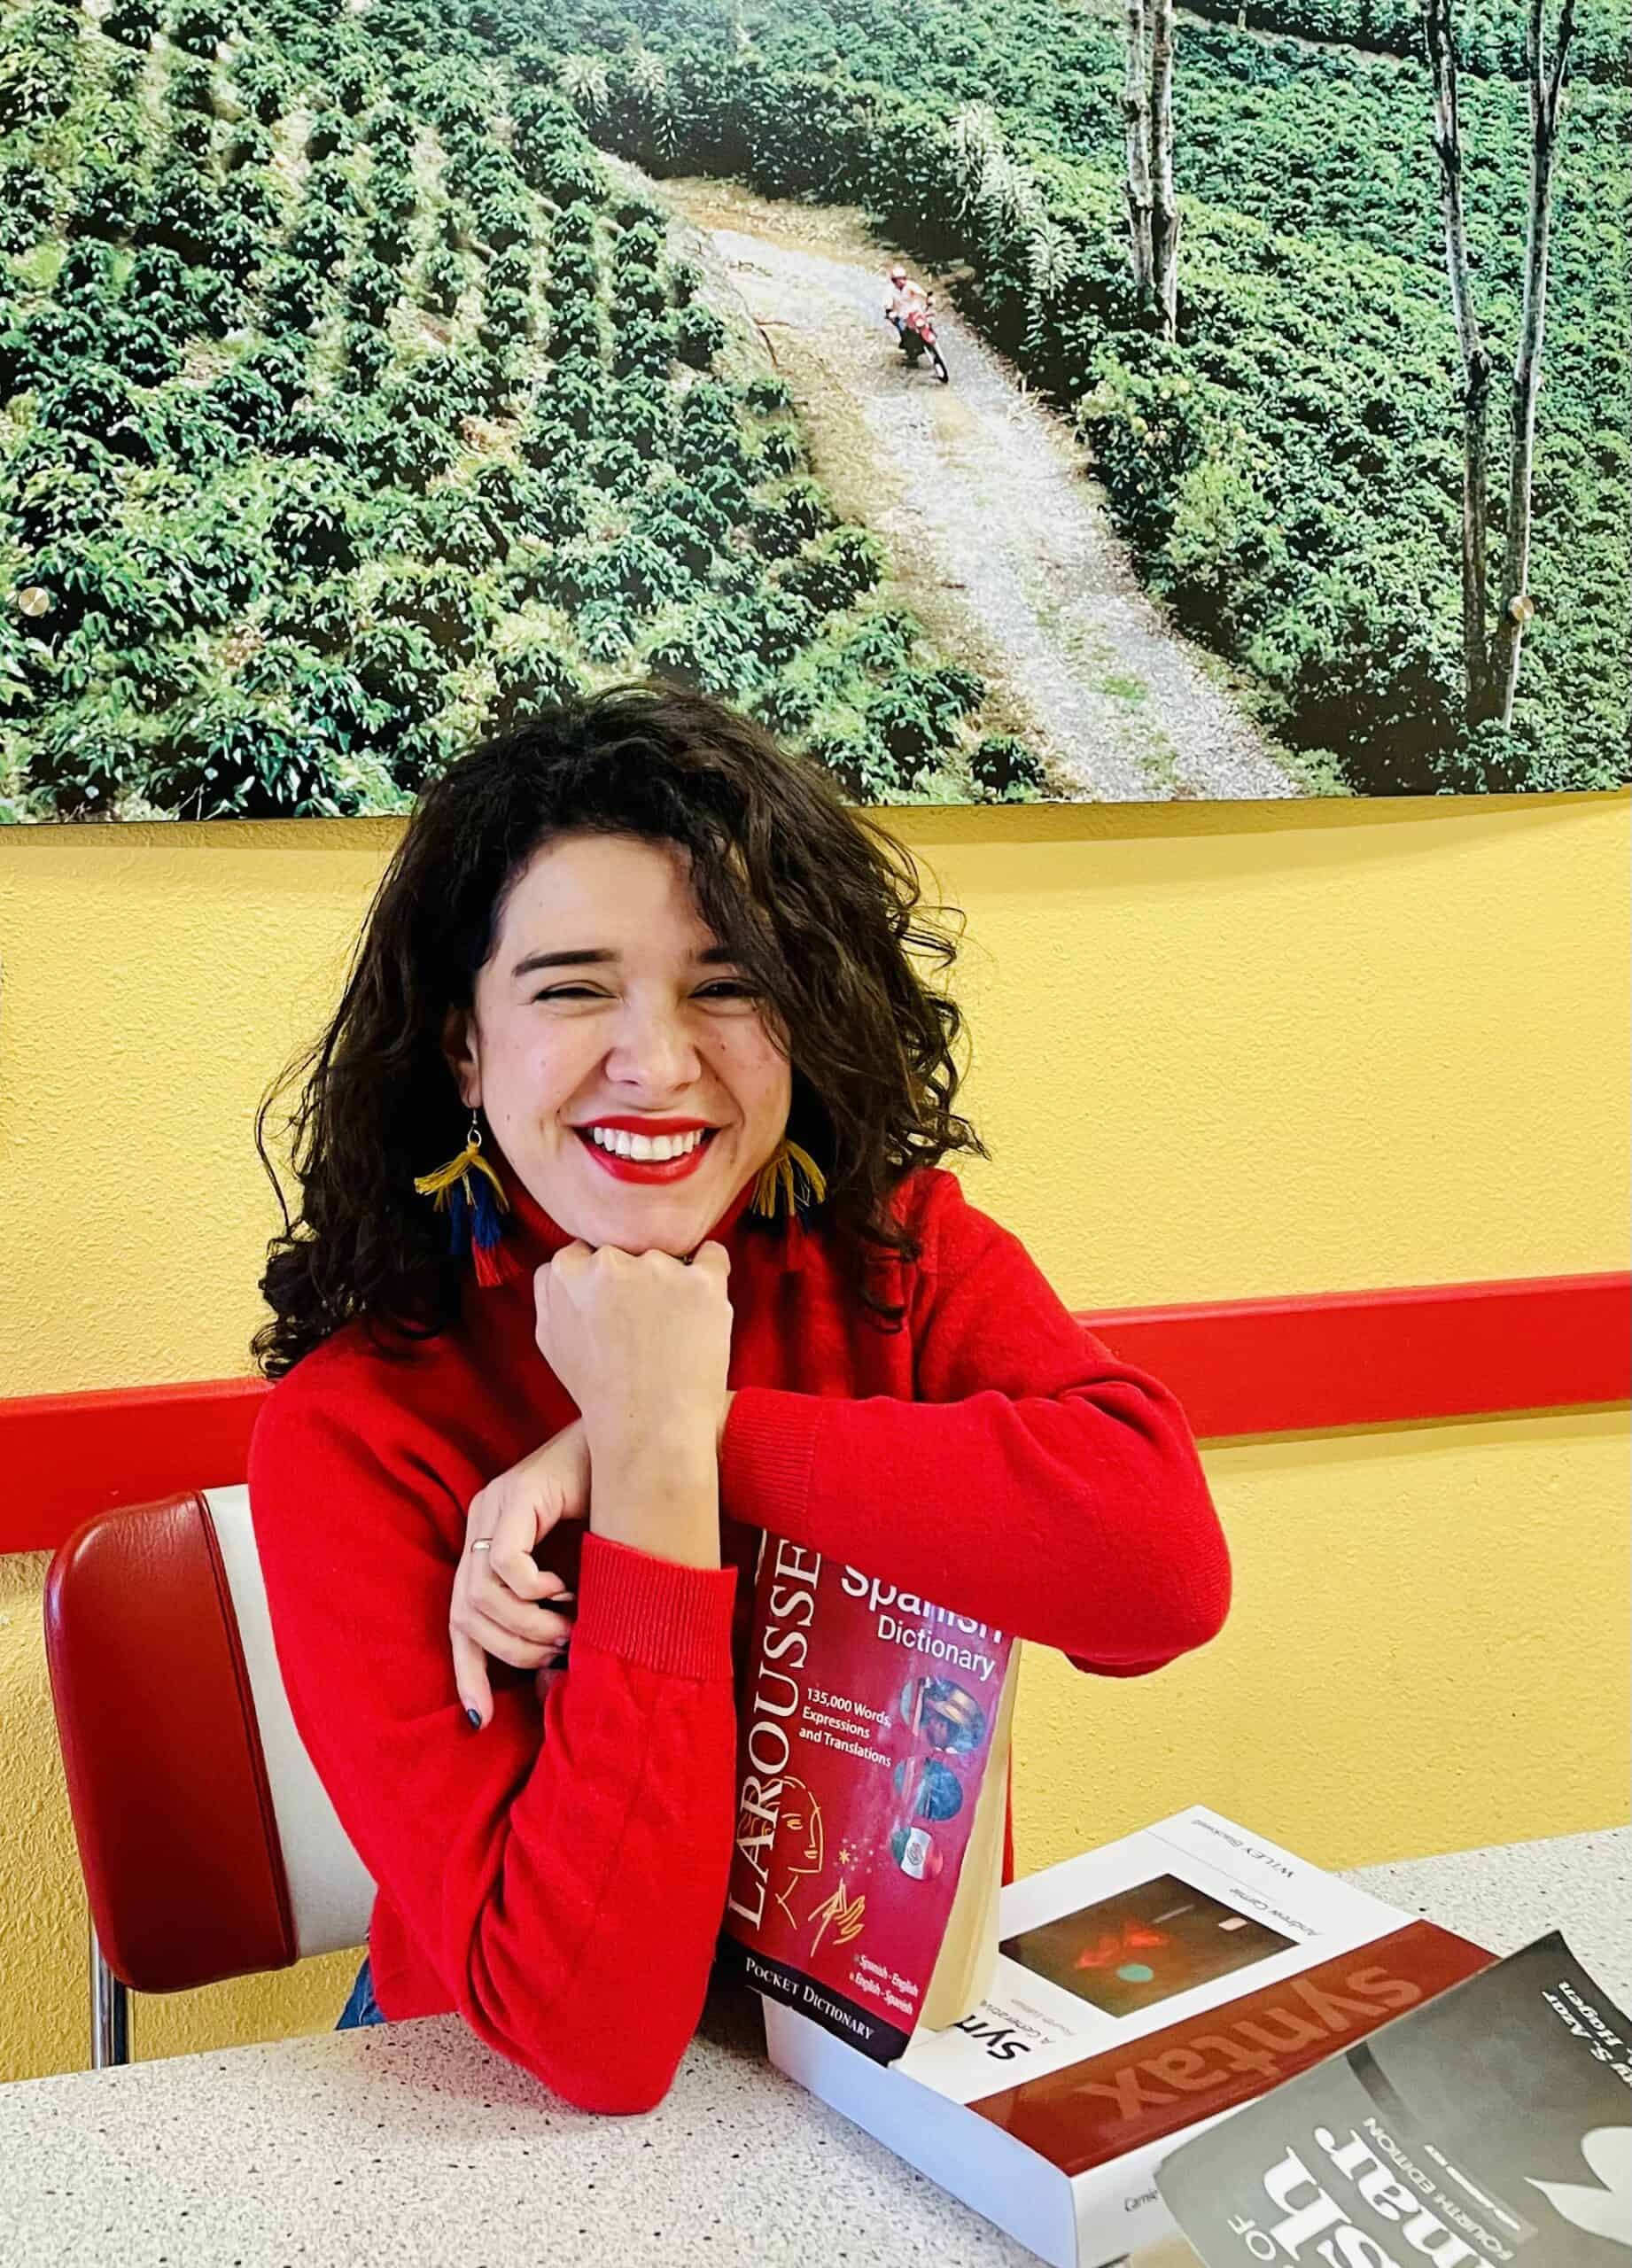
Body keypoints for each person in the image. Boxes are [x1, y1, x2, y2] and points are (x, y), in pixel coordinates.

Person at [247, 680, 1230, 2114]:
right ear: (464, 1045)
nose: (657, 1063)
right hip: (505, 2111)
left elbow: (1158, 1582)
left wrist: (678, 1427)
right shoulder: (361, 1425)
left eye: (726, 984)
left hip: (879, 2066)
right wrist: (648, 1462)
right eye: (571, 987)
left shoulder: (896, 1257)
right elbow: (593, 2037)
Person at [884, 260, 929, 342]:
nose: (903, 281)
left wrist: (927, 299)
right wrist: (889, 312)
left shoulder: (910, 285)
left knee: (927, 320)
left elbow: (921, 293)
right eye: (900, 279)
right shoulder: (890, 290)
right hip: (903, 315)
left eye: (904, 278)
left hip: (916, 311)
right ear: (894, 280)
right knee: (902, 329)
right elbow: (888, 303)